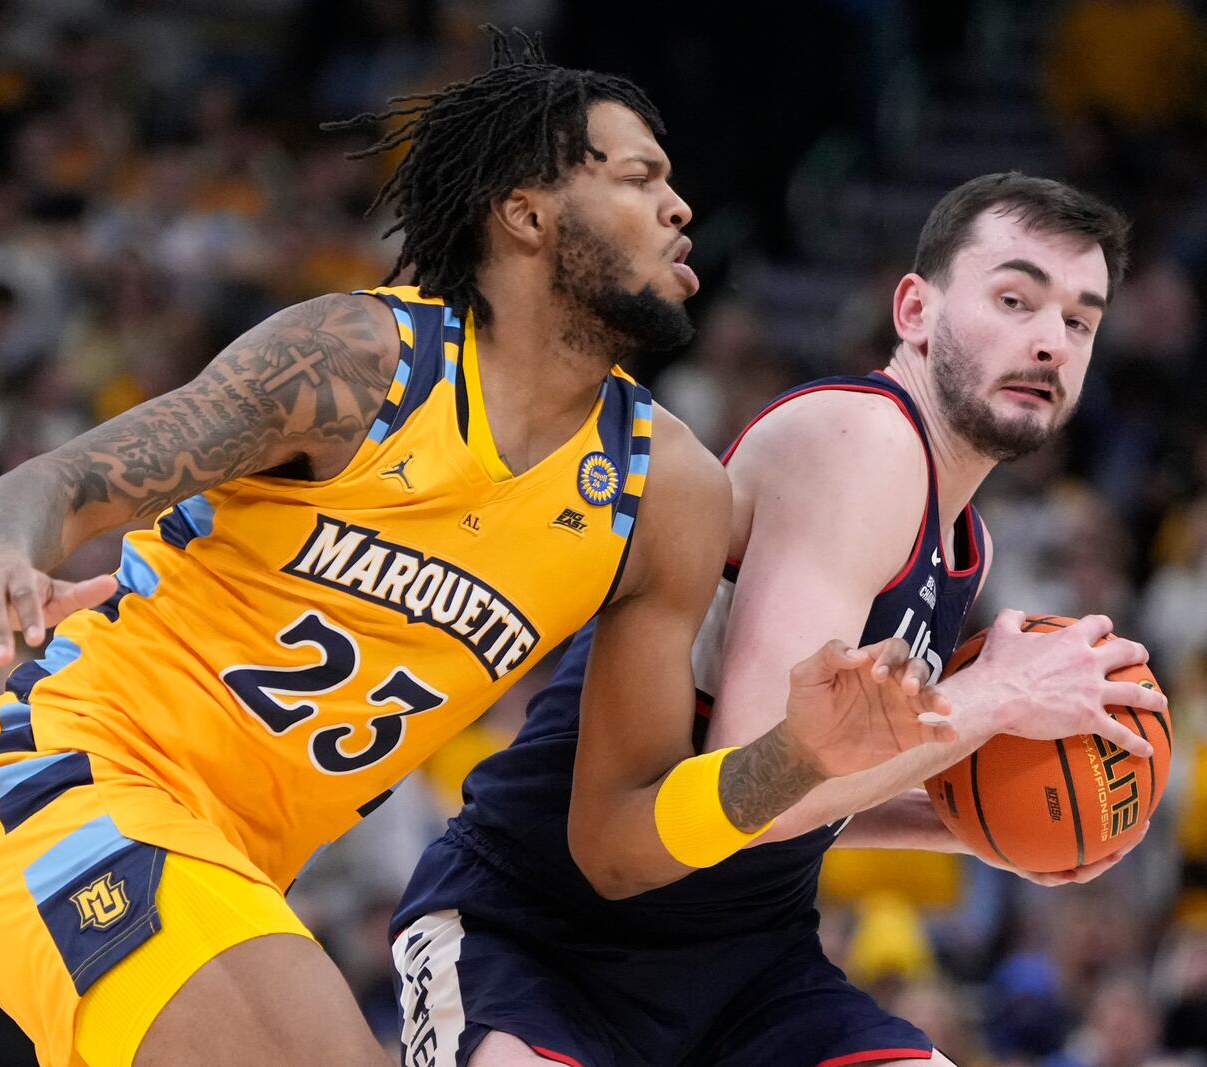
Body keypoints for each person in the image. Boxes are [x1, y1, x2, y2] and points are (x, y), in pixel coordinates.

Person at [0, 34, 955, 1067]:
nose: (680, 208)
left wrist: (800, 758)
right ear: (526, 212)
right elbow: (57, 483)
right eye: (640, 179)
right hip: (67, 775)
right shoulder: (360, 364)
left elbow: (618, 840)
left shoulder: (664, 494)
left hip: (240, 862)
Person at [392, 172, 1167, 1067]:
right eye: (1015, 298)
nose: (1048, 341)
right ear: (914, 309)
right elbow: (755, 777)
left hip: (746, 973)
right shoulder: (858, 444)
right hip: (541, 934)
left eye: (1079, 321)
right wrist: (995, 697)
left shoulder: (966, 541)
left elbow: (797, 798)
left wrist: (961, 822)